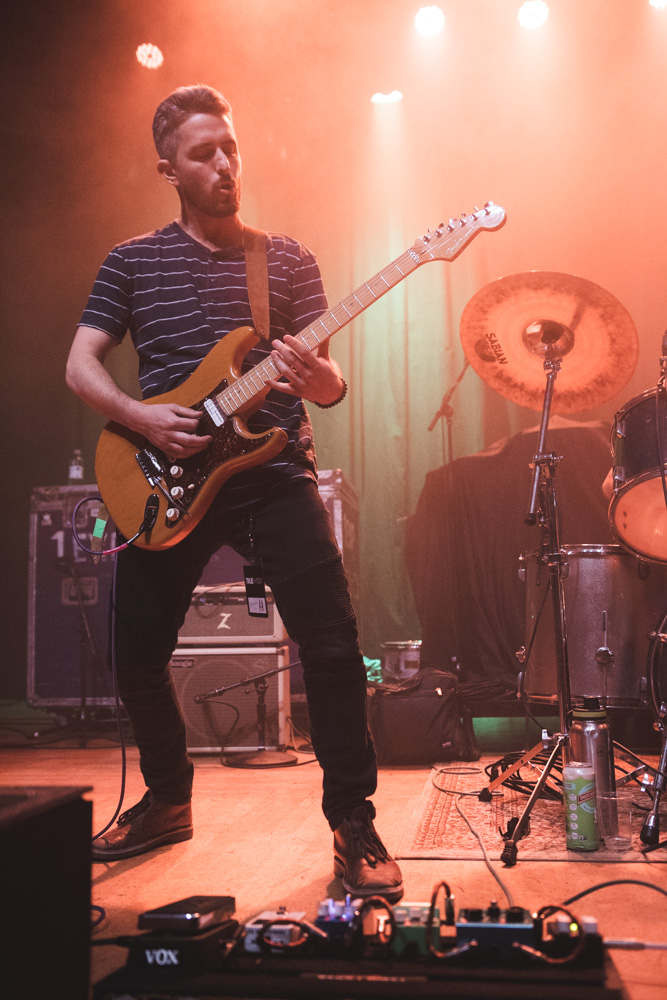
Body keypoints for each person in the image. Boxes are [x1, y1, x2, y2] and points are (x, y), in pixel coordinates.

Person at [66, 84, 403, 902]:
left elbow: (325, 385)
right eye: (202, 154)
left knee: (329, 645)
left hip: (271, 473)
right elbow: (80, 366)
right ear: (168, 169)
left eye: (230, 149)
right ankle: (169, 800)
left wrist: (322, 379)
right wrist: (141, 416)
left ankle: (352, 822)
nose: (223, 165)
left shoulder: (284, 259)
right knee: (136, 654)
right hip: (167, 479)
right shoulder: (131, 260)